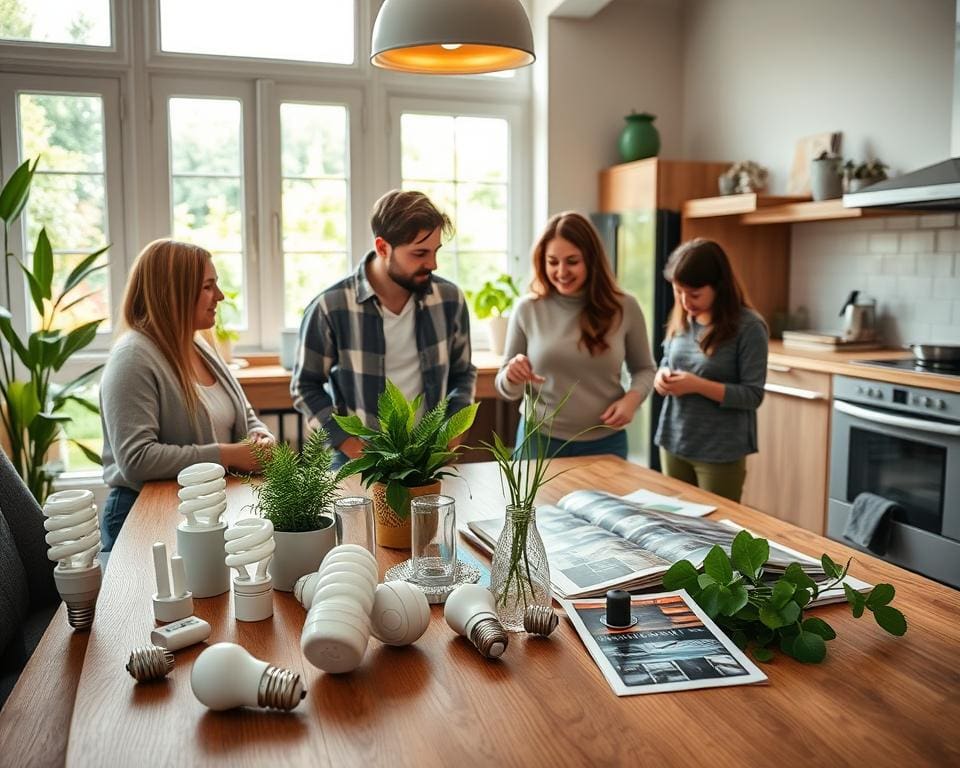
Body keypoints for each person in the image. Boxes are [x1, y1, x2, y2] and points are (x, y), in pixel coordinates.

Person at [99, 239, 274, 550]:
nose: (219, 296)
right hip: (143, 518)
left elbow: (244, 415)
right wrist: (231, 455)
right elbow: (137, 459)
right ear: (173, 292)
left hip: (199, 512)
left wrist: (261, 438)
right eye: (208, 286)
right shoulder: (132, 358)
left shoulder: (198, 345)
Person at [291, 190, 476, 467]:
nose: (432, 264)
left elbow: (463, 374)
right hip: (357, 464)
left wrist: (454, 429)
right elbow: (305, 385)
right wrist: (350, 444)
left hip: (429, 461)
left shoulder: (449, 300)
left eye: (435, 251)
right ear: (382, 247)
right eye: (419, 253)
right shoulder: (331, 306)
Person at [495, 212, 656, 459]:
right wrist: (511, 375)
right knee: (534, 501)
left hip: (606, 441)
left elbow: (645, 369)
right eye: (552, 261)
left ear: (591, 261)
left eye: (572, 261)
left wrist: (631, 401)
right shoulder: (527, 309)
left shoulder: (625, 307)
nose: (561, 271)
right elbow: (507, 389)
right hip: (538, 439)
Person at [653, 238, 768, 503]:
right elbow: (668, 361)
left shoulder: (749, 328)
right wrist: (662, 375)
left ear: (719, 287)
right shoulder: (682, 318)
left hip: (720, 450)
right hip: (674, 440)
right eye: (678, 291)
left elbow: (753, 395)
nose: (684, 301)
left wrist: (697, 385)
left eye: (694, 294)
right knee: (675, 531)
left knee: (716, 534)